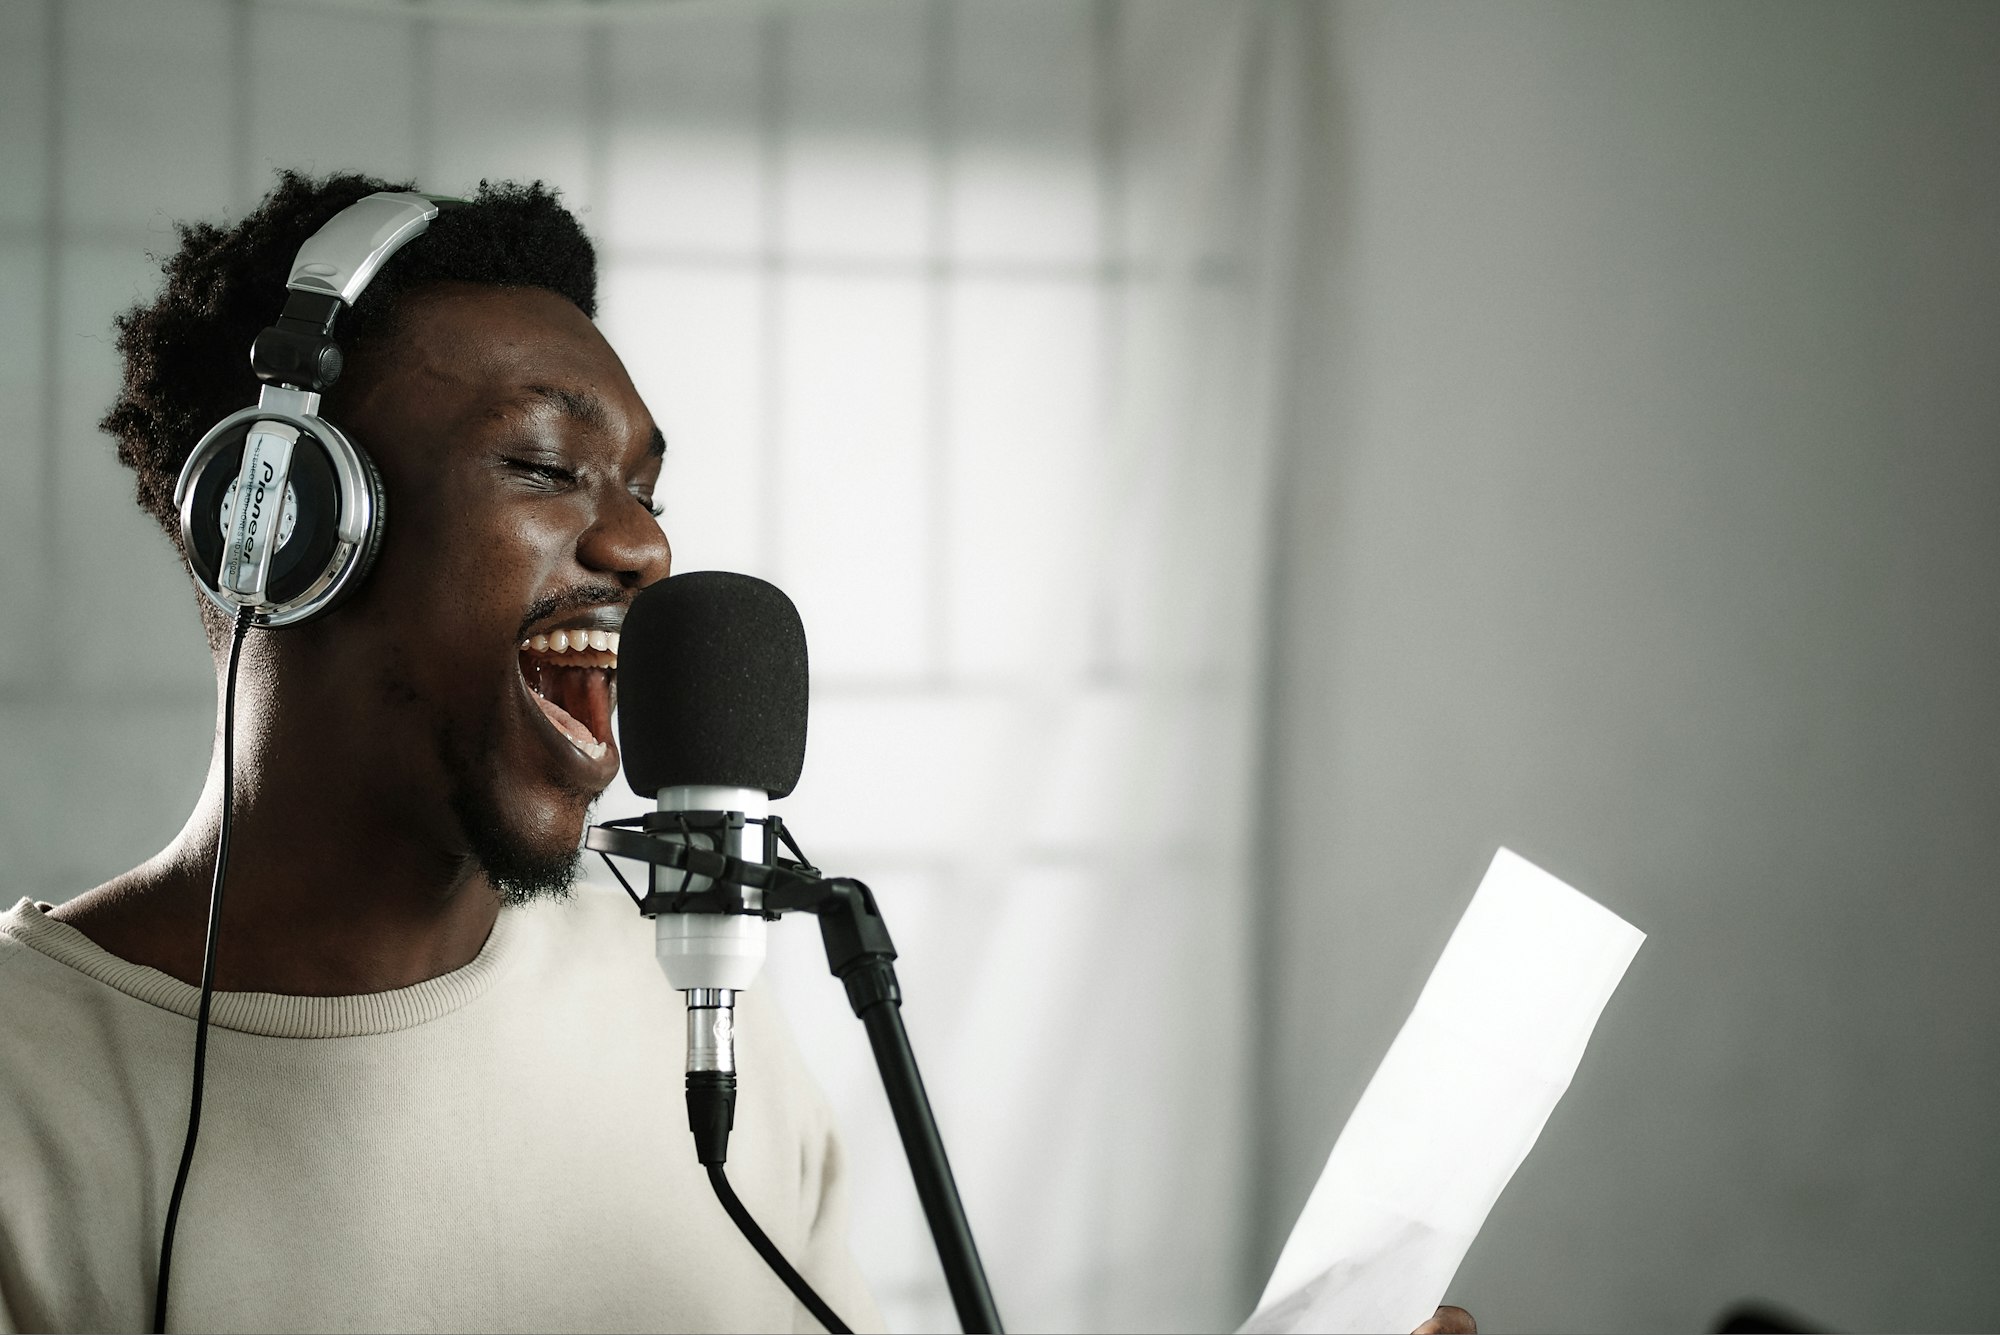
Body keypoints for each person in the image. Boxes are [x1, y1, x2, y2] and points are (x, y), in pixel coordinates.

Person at [0, 171, 1476, 1335]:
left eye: (646, 486)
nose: (643, 544)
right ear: (285, 529)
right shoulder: (23, 1093)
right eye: (540, 463)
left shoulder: (698, 1009)